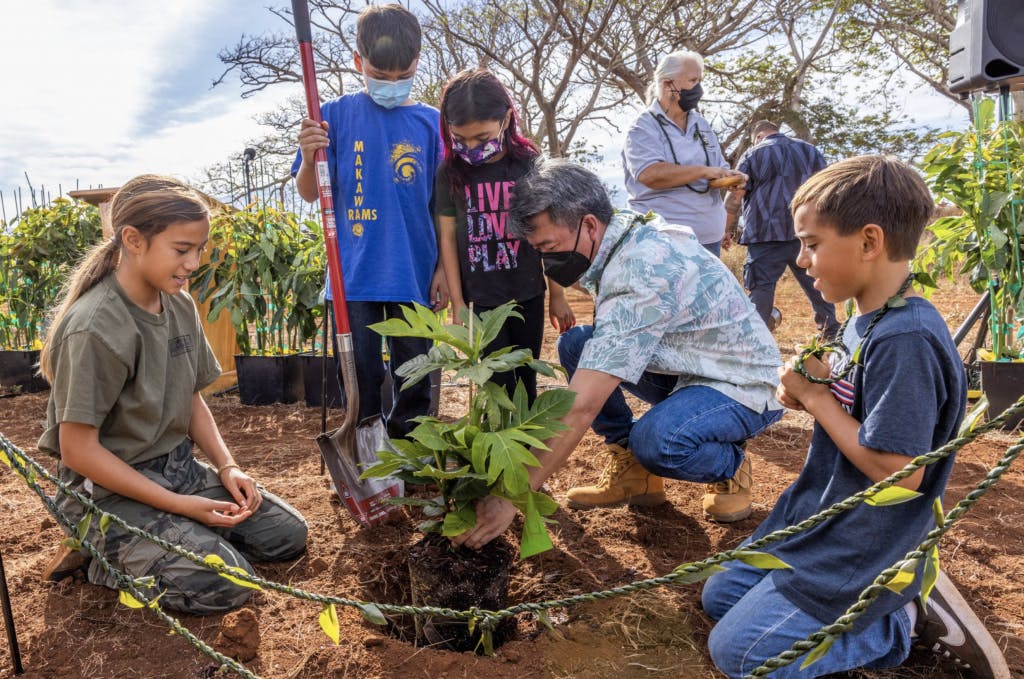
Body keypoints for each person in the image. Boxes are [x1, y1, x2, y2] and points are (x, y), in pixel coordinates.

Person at [701, 155, 1009, 678]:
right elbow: (856, 408)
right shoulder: (864, 318)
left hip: (865, 538)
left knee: (743, 655)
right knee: (720, 595)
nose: (801, 259)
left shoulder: (904, 339)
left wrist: (818, 402)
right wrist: (816, 384)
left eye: (812, 243)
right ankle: (886, 598)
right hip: (824, 518)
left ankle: (900, 619)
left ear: (869, 242)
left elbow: (902, 475)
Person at [451, 158, 782, 550]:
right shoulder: (620, 232)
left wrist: (511, 495)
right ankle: (633, 472)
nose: (547, 262)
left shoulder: (639, 271)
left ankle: (732, 465)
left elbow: (582, 406)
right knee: (575, 344)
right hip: (690, 365)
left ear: (589, 224)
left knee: (658, 442)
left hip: (741, 384)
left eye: (549, 247)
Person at [36, 175, 308, 615]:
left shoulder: (178, 304)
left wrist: (227, 466)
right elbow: (78, 450)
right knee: (228, 583)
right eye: (182, 250)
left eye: (199, 249)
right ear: (133, 240)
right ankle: (100, 556)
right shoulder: (95, 327)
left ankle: (173, 533)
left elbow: (191, 398)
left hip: (176, 469)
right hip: (107, 492)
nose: (193, 263)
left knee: (287, 536)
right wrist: (183, 506)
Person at [292, 3, 448, 438]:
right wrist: (308, 156)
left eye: (402, 76)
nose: (392, 84)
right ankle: (362, 446)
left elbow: (444, 208)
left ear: (417, 64)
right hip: (353, 274)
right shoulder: (333, 117)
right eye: (381, 75)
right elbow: (310, 192)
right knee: (358, 373)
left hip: (414, 273)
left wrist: (442, 270)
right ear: (359, 63)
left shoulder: (433, 124)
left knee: (415, 372)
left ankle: (411, 452)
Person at [435, 68, 574, 402]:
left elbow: (549, 234)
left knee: (526, 372)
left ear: (507, 119)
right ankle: (498, 444)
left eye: (481, 138)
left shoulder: (529, 165)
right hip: (480, 298)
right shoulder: (450, 173)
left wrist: (558, 293)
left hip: (527, 292)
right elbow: (448, 239)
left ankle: (525, 447)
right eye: (461, 139)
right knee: (494, 382)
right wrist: (458, 304)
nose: (471, 147)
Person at [622, 50, 746, 256]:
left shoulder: (701, 123)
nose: (699, 88)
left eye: (699, 80)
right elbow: (649, 175)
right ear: (667, 83)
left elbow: (718, 167)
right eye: (692, 80)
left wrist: (731, 177)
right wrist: (703, 172)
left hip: (708, 239)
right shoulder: (643, 127)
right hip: (663, 241)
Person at [724, 120, 839, 338]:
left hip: (765, 234)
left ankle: (757, 339)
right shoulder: (810, 151)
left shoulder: (752, 154)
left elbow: (735, 193)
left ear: (758, 136)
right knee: (816, 281)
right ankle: (830, 330)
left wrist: (724, 228)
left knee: (761, 287)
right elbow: (828, 190)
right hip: (805, 234)